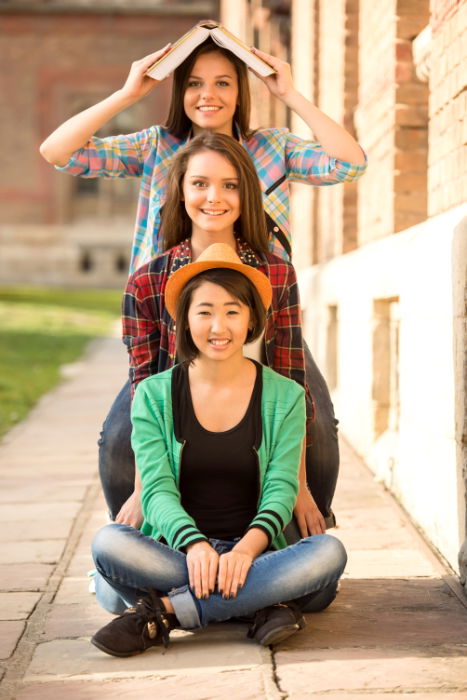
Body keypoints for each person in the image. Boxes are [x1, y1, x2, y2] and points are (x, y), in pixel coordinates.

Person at [39, 28, 367, 534]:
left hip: (264, 318)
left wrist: (289, 93)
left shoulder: (270, 148)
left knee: (316, 426)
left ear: (242, 91)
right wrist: (130, 93)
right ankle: (140, 543)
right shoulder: (156, 147)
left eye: (223, 83)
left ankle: (303, 534)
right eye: (193, 83)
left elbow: (349, 165)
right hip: (173, 322)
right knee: (123, 436)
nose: (208, 95)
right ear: (179, 92)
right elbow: (59, 152)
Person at [90, 242, 347, 657]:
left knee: (327, 553)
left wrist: (246, 551)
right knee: (108, 545)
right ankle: (263, 603)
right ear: (185, 320)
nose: (218, 326)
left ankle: (165, 612)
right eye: (204, 311)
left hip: (259, 551)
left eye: (232, 311)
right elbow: (155, 490)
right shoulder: (154, 395)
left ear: (251, 320)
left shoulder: (286, 396)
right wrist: (196, 546)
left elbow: (282, 487)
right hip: (179, 554)